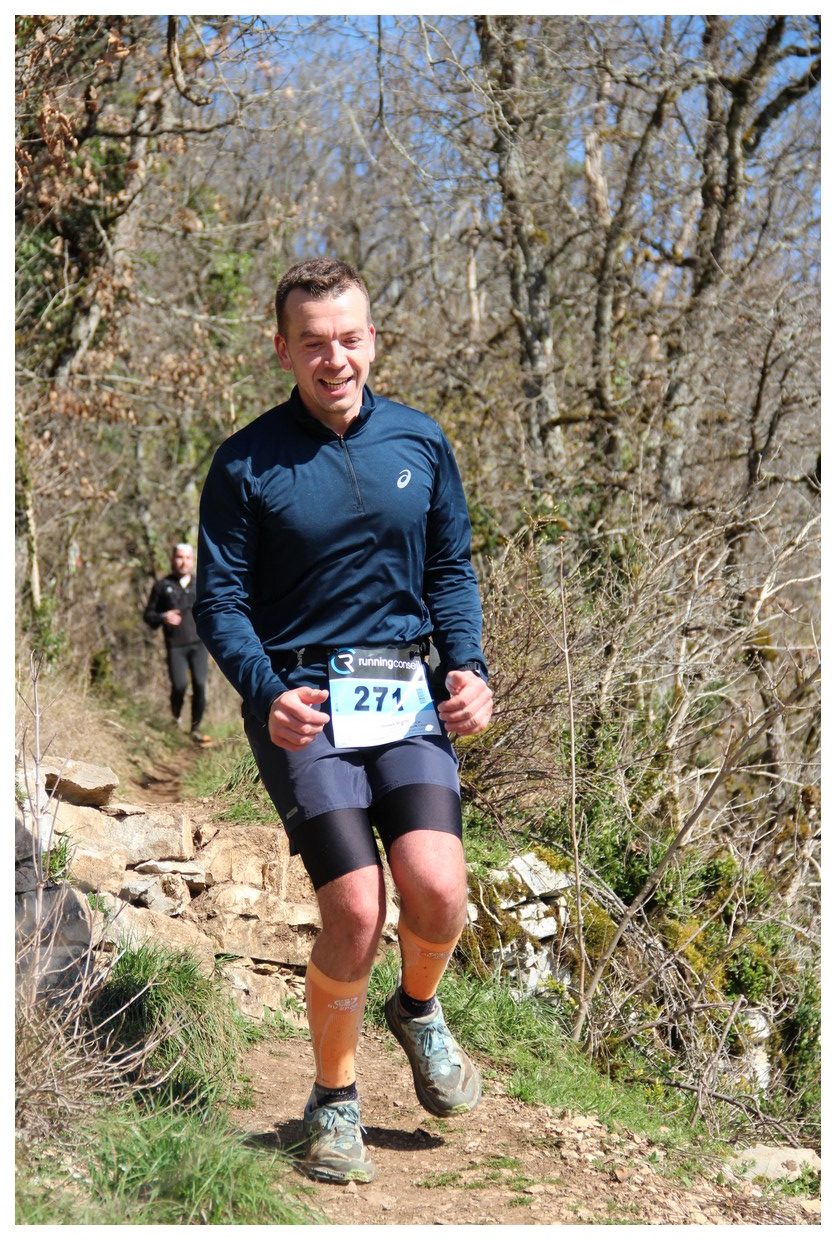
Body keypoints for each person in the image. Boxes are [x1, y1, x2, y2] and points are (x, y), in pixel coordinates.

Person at [194, 257, 493, 1185]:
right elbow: (220, 602)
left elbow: (450, 570)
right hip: (305, 703)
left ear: (374, 341)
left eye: (350, 339)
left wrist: (469, 668)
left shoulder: (421, 441)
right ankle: (334, 1099)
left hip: (403, 690)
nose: (335, 359)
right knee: (358, 908)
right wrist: (264, 690)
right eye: (314, 342)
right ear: (283, 350)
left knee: (438, 889)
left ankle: (418, 1008)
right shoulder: (245, 462)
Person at [143, 543, 212, 745]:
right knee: (180, 685)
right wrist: (163, 616)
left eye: (188, 558)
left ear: (193, 560)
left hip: (199, 644)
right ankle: (176, 719)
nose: (184, 562)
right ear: (173, 559)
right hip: (176, 646)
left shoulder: (202, 584)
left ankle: (195, 729)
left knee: (200, 685)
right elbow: (148, 615)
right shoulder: (162, 586)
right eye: (180, 557)